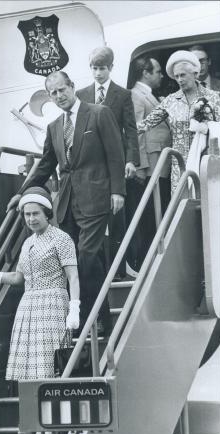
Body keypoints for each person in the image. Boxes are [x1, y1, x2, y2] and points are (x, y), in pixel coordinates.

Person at [7, 71, 126, 337]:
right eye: (53, 93)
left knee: (85, 256)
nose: (59, 96)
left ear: (72, 87)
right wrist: (23, 192)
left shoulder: (99, 113)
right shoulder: (54, 127)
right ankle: (100, 316)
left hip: (96, 197)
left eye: (63, 90)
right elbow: (46, 164)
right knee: (77, 260)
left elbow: (116, 154)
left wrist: (118, 191)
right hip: (69, 202)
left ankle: (89, 319)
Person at [0, 187, 80, 434]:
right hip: (28, 305)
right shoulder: (28, 242)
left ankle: (50, 429)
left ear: (47, 213)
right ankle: (37, 428)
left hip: (53, 302)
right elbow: (19, 278)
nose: (31, 219)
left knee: (48, 369)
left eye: (36, 214)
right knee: (28, 372)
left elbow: (73, 276)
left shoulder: (61, 238)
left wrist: (74, 307)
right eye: (27, 215)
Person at [76, 46, 140, 279]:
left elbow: (130, 130)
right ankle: (97, 270)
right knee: (92, 217)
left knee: (116, 216)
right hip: (92, 163)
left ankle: (119, 268)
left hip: (116, 161)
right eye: (94, 68)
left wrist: (132, 160)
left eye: (102, 68)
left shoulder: (122, 95)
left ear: (111, 68)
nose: (98, 73)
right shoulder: (81, 95)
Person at [137, 50, 220, 192]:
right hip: (180, 165)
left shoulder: (212, 97)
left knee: (209, 205)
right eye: (176, 76)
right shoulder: (171, 100)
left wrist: (206, 127)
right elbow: (146, 123)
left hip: (206, 161)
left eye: (183, 75)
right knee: (182, 206)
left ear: (195, 73)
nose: (179, 79)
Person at [129, 56, 172, 270]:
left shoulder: (150, 95)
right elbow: (135, 131)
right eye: (157, 72)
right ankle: (145, 262)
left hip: (159, 165)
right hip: (150, 168)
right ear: (146, 73)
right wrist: (140, 167)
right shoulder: (137, 95)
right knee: (149, 217)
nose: (161, 75)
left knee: (157, 213)